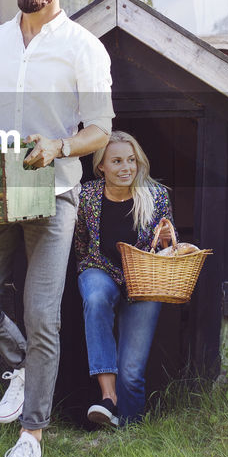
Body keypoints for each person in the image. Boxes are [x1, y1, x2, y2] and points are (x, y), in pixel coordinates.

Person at [0, 0, 114, 457]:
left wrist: (60, 145)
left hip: (55, 191)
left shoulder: (84, 49)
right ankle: (21, 365)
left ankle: (32, 436)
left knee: (43, 314)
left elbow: (101, 130)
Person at [72, 131, 174, 428]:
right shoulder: (87, 195)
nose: (126, 167)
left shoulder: (156, 195)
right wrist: (89, 267)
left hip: (144, 280)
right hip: (100, 268)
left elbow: (167, 250)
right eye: (116, 161)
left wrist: (167, 241)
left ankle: (129, 429)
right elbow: (81, 243)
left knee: (131, 370)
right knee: (95, 296)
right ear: (101, 165)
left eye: (131, 160)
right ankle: (109, 397)